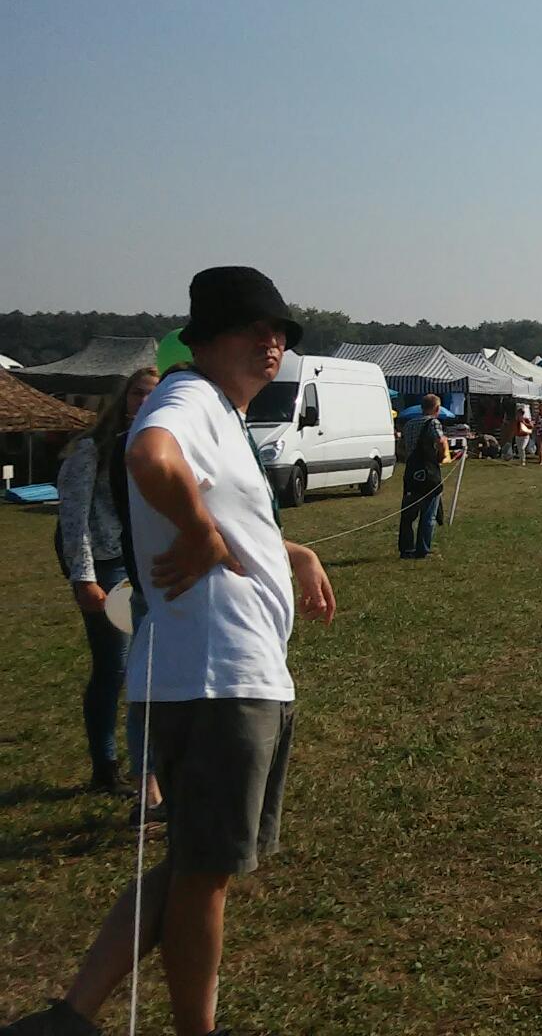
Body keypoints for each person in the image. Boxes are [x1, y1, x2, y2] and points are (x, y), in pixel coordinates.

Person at [6, 267, 337, 1036]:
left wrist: (293, 551)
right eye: (253, 328)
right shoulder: (187, 398)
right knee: (204, 878)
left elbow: (230, 518)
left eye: (280, 332)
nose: (272, 342)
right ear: (206, 338)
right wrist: (198, 532)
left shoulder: (219, 412)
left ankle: (70, 1016)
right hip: (218, 678)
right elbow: (150, 459)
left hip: (219, 673)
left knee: (193, 865)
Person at [56, 366, 162, 803]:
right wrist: (83, 578)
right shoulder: (91, 450)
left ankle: (151, 767)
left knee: (148, 666)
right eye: (138, 393)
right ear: (123, 398)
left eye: (154, 394)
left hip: (145, 562)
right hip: (105, 565)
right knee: (115, 667)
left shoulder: (158, 445)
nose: (145, 401)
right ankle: (106, 765)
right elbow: (73, 518)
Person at [398, 394, 451, 560]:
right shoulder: (433, 422)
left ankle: (406, 549)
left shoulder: (409, 424)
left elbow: (401, 447)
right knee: (428, 513)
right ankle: (423, 550)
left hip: (411, 472)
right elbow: (440, 440)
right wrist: (442, 456)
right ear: (437, 408)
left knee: (408, 514)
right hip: (428, 472)